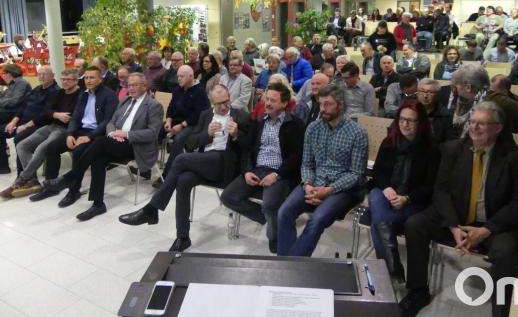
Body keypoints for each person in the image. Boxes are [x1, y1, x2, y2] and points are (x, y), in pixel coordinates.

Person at [400, 102, 518, 317]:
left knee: (506, 253)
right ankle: (417, 292)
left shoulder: (516, 158)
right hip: (458, 217)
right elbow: (441, 191)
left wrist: (485, 230)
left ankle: (500, 311)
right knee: (415, 224)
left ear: (498, 128)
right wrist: (453, 226)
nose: (474, 127)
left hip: (494, 223)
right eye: (472, 122)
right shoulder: (453, 149)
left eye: (482, 123)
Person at [119, 84, 251, 252]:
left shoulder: (241, 116)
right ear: (211, 102)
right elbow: (191, 143)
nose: (224, 107)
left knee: (180, 159)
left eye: (226, 102)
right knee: (183, 180)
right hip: (204, 162)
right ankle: (183, 237)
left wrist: (237, 134)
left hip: (225, 165)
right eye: (219, 104)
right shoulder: (206, 115)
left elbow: (249, 147)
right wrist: (207, 135)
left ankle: (152, 208)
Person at [42, 72, 163, 220]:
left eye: (135, 85)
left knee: (99, 141)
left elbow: (152, 133)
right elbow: (111, 121)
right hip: (116, 141)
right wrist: (112, 133)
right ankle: (98, 204)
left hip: (136, 146)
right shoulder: (125, 100)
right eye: (129, 85)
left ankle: (71, 177)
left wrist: (126, 134)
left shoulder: (153, 105)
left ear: (144, 86)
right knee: (98, 160)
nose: (130, 88)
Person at [277, 83, 368, 257]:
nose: (322, 109)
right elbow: (307, 163)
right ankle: (287, 263)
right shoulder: (313, 128)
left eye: (328, 104)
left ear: (340, 105)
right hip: (314, 182)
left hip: (342, 188)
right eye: (320, 104)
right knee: (284, 212)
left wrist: (328, 190)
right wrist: (308, 185)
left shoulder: (357, 133)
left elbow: (356, 174)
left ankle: (291, 264)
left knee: (316, 220)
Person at [222, 82, 305, 253]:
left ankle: (274, 237)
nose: (267, 103)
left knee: (269, 204)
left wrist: (277, 175)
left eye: (273, 100)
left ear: (284, 103)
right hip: (257, 169)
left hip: (279, 173)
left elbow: (295, 157)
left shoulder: (295, 124)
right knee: (228, 197)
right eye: (267, 99)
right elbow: (248, 149)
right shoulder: (259, 121)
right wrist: (247, 171)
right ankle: (267, 218)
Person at [369, 100, 440, 282]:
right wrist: (387, 188)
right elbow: (377, 172)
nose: (404, 124)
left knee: (379, 223)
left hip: (413, 201)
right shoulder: (389, 142)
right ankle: (392, 267)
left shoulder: (431, 149)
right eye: (401, 119)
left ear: (420, 123)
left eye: (410, 120)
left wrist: (406, 198)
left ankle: (390, 270)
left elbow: (430, 186)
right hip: (387, 195)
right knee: (375, 196)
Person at [38, 66, 118, 207]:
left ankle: (73, 191)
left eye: (92, 77)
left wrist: (90, 136)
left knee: (78, 152)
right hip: (80, 130)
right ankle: (51, 186)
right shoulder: (84, 94)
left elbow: (107, 121)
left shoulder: (109, 95)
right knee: (52, 147)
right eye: (86, 77)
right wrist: (69, 134)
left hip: (97, 133)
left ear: (100, 79)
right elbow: (75, 117)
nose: (88, 80)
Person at [2, 68, 82, 200]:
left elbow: (71, 117)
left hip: (64, 130)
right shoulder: (60, 92)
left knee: (41, 148)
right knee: (22, 145)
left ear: (76, 80)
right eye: (63, 79)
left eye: (68, 80)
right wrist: (56, 114)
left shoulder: (80, 95)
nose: (65, 82)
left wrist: (53, 114)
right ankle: (32, 180)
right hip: (51, 126)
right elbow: (46, 112)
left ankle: (20, 181)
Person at [0, 65, 59, 176]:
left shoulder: (56, 92)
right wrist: (13, 122)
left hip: (38, 125)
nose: (41, 77)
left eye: (45, 74)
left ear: (53, 76)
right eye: (39, 74)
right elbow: (23, 106)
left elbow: (45, 115)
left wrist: (26, 126)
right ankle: (1, 167)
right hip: (23, 122)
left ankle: (25, 176)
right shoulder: (37, 89)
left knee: (19, 138)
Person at [155, 65, 210, 185]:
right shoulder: (178, 89)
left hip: (193, 124)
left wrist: (182, 125)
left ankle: (167, 175)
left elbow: (199, 114)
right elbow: (171, 106)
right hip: (177, 120)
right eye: (178, 76)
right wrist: (169, 120)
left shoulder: (200, 91)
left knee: (179, 139)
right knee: (157, 130)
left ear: (191, 76)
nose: (179, 79)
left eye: (182, 76)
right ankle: (146, 166)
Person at [416, 79, 454, 143]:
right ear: (417, 93)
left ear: (438, 95)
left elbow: (449, 142)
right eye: (422, 91)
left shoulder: (446, 116)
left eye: (430, 92)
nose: (425, 96)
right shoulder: (409, 111)